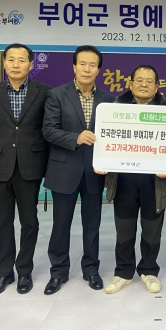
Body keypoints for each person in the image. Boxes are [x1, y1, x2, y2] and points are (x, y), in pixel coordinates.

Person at [0, 43, 51, 296]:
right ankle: (4, 272)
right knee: (2, 223)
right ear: (4, 63)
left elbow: (48, 131)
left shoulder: (44, 92)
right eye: (11, 59)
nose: (16, 64)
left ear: (31, 64)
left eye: (22, 60)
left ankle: (25, 271)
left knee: (29, 222)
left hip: (30, 165)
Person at [42, 45, 114, 295]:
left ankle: (91, 269)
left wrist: (110, 171)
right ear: (74, 67)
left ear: (98, 70)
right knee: (60, 225)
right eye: (82, 64)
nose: (87, 69)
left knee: (92, 225)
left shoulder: (108, 100)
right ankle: (58, 272)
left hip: (95, 171)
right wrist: (75, 137)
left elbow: (111, 138)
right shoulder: (56, 95)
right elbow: (48, 130)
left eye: (92, 65)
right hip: (64, 170)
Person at [101, 65, 166, 294]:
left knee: (152, 229)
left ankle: (149, 270)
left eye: (149, 81)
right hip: (123, 180)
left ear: (157, 87)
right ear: (130, 84)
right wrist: (103, 162)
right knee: (124, 228)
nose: (144, 85)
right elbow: (105, 141)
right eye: (139, 80)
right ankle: (123, 272)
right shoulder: (114, 111)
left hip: (156, 182)